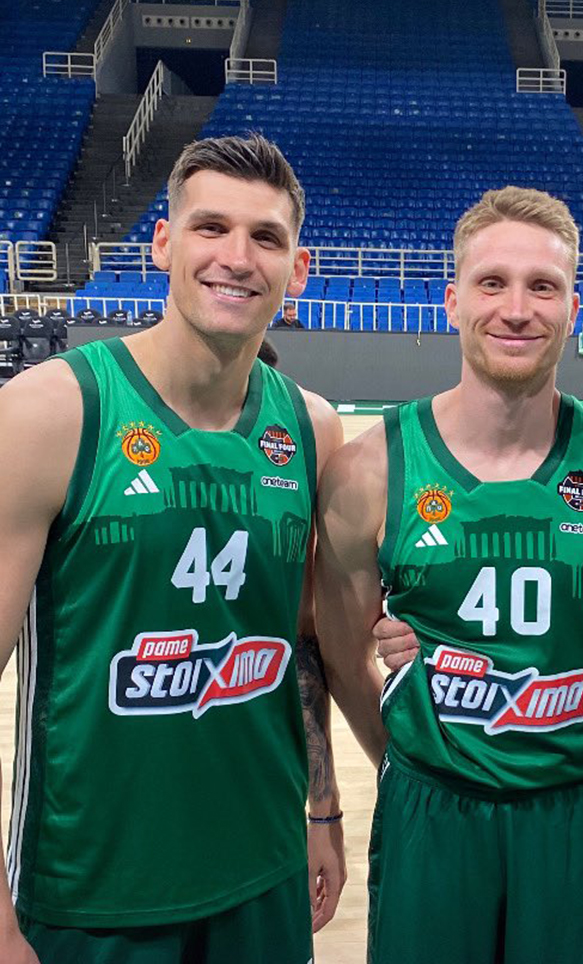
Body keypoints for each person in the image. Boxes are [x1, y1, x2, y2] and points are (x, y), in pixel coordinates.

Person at [0, 134, 346, 964]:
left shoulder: (312, 429)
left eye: (266, 237)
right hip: (90, 891)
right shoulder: (53, 411)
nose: (237, 257)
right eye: (211, 227)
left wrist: (325, 809)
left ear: (299, 269)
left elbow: (304, 643)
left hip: (263, 879)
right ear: (162, 242)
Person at [314, 186, 583, 964]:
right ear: (452, 301)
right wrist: (414, 750)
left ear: (574, 307)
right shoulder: (369, 469)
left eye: (544, 286)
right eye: (492, 282)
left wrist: (534, 721)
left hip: (570, 808)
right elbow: (343, 653)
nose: (517, 309)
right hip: (429, 808)